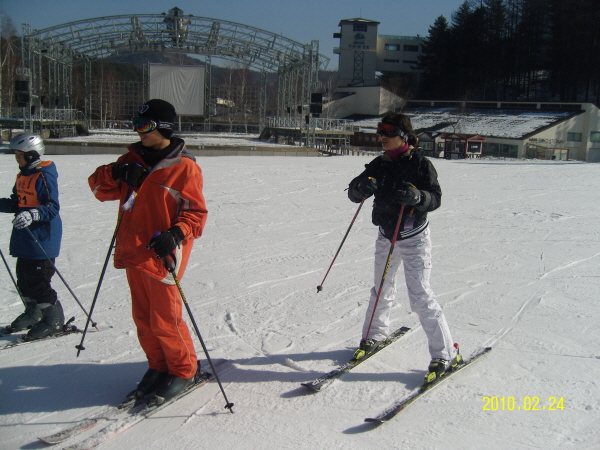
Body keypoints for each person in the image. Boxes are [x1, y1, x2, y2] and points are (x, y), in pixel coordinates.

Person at [88, 99, 208, 402]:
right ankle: (158, 366)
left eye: (144, 125)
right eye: (135, 124)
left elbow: (196, 214)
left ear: (163, 128)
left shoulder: (184, 168)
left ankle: (183, 370)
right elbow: (98, 190)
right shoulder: (131, 159)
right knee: (143, 318)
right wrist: (116, 172)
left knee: (166, 318)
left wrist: (174, 234)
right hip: (134, 251)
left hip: (165, 254)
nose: (138, 131)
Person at [347, 111, 460, 384]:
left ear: (404, 136)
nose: (382, 137)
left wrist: (418, 196)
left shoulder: (421, 165)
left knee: (420, 294)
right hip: (386, 235)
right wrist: (361, 187)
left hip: (414, 237)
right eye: (380, 132)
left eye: (388, 132)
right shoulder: (380, 163)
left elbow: (436, 198)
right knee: (381, 289)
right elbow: (353, 191)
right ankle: (375, 335)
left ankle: (445, 353)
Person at [0, 133, 64, 339]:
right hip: (25, 237)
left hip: (42, 238)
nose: (16, 158)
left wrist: (32, 213)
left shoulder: (43, 175)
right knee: (24, 279)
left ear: (31, 154)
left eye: (20, 154)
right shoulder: (23, 174)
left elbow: (52, 207)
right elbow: (17, 202)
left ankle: (53, 319)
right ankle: (33, 313)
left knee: (38, 281)